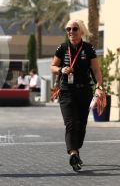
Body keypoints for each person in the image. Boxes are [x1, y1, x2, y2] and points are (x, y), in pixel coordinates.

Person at [50, 19, 103, 172]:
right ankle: (73, 153)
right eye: (68, 29)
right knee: (71, 122)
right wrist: (61, 70)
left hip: (84, 90)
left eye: (74, 29)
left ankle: (76, 150)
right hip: (66, 90)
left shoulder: (88, 48)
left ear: (81, 31)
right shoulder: (62, 48)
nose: (71, 32)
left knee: (81, 124)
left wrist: (99, 87)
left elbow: (96, 70)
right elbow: (53, 66)